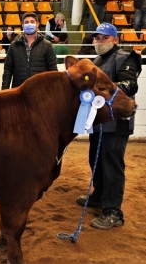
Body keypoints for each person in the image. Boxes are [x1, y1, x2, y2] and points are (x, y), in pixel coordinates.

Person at [76, 23, 142, 230]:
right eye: (96, 38)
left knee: (112, 163)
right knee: (95, 158)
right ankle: (99, 196)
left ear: (114, 39)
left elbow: (130, 84)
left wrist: (102, 90)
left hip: (117, 121)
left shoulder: (126, 56)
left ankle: (113, 211)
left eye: (104, 38)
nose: (99, 41)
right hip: (99, 121)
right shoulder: (96, 60)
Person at [2, 12, 57, 90]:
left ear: (37, 24)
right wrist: (4, 91)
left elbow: (53, 72)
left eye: (32, 22)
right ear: (22, 25)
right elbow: (7, 71)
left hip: (40, 92)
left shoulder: (47, 45)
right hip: (18, 92)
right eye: (26, 22)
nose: (29, 24)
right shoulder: (14, 45)